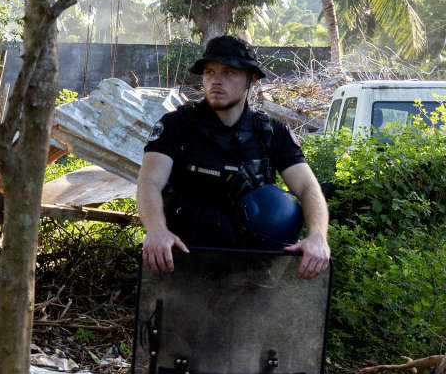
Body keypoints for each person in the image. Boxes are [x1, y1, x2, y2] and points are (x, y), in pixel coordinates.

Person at [137, 34, 330, 280]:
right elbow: (149, 182)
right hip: (185, 264)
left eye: (229, 72)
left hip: (252, 270)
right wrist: (156, 230)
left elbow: (308, 187)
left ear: (252, 79)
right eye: (209, 72)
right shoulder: (176, 126)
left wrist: (317, 236)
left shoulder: (271, 132)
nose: (216, 81)